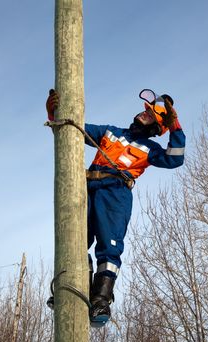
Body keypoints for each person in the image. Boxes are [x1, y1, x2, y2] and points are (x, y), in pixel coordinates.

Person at [46, 88, 186, 327]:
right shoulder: (111, 132)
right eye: (146, 111)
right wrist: (54, 113)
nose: (144, 115)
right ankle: (70, 290)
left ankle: (100, 300)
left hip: (116, 194)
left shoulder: (151, 149)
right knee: (74, 240)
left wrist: (175, 125)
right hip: (86, 189)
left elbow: (175, 158)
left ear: (155, 128)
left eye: (151, 116)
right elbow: (74, 128)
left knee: (109, 248)